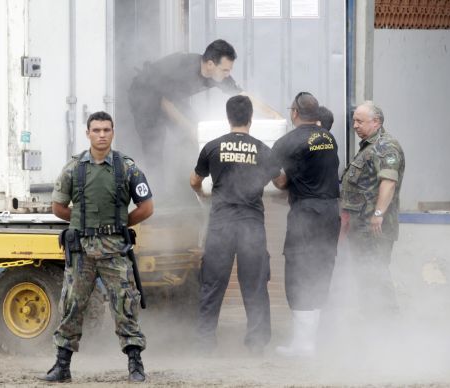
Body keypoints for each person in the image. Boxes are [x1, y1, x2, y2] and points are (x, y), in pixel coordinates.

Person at [41, 111, 154, 383]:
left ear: (113, 132)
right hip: (82, 251)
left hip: (115, 250)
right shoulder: (73, 168)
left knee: (125, 305)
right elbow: (57, 207)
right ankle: (62, 365)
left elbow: (147, 207)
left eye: (106, 129)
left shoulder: (127, 168)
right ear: (88, 133)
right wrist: (84, 222)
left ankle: (135, 365)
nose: (101, 134)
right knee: (71, 305)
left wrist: (119, 223)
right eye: (96, 130)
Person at [128, 39, 282, 199]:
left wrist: (272, 113)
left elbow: (241, 95)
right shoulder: (183, 69)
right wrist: (190, 130)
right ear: (210, 64)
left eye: (229, 70)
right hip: (145, 96)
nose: (228, 74)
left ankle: (189, 185)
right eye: (225, 70)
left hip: (172, 98)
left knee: (195, 131)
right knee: (155, 142)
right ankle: (156, 197)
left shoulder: (216, 74)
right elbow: (165, 103)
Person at [190, 95, 280, 355]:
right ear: (251, 118)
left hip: (221, 224)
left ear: (228, 117)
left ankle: (205, 344)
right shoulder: (263, 149)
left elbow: (195, 180)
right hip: (251, 224)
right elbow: (281, 182)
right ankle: (256, 344)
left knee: (212, 284)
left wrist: (202, 193)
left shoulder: (212, 147)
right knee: (255, 283)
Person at [271, 92, 341, 357]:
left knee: (298, 273)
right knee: (321, 270)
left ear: (294, 113)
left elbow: (276, 179)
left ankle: (303, 345)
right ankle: (310, 342)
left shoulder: (287, 141)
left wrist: (287, 182)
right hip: (329, 213)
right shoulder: (329, 138)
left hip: (305, 213)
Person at [339, 102, 405, 322]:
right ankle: (372, 328)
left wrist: (378, 214)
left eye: (360, 121)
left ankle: (389, 330)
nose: (355, 125)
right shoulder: (368, 147)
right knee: (366, 278)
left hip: (374, 229)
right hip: (361, 228)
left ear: (376, 122)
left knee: (377, 277)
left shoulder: (386, 146)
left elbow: (388, 182)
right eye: (354, 121)